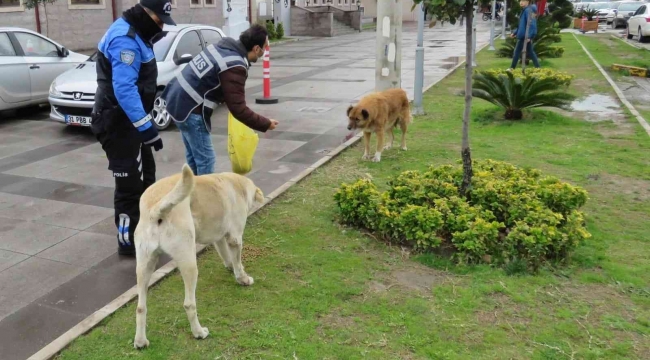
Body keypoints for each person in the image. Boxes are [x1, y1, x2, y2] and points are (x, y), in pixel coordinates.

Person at [91, 0, 174, 256]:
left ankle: (148, 232)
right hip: (117, 123)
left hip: (131, 122)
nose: (161, 25)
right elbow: (125, 89)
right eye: (158, 20)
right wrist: (147, 129)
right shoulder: (125, 39)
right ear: (146, 12)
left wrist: (144, 125)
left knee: (148, 179)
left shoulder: (140, 33)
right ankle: (129, 244)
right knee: (130, 186)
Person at [161, 24, 279, 176]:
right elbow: (238, 109)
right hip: (190, 109)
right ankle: (204, 198)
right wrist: (266, 123)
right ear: (257, 49)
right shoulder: (235, 64)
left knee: (194, 157)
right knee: (206, 160)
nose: (265, 51)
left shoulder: (223, 47)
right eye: (265, 47)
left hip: (176, 100)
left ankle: (193, 194)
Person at [509, 0, 540, 70]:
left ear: (528, 2)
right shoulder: (524, 10)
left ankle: (512, 68)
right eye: (520, 1)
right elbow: (521, 25)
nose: (521, 2)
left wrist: (529, 36)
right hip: (523, 36)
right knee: (530, 52)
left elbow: (532, 25)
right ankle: (538, 67)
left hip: (525, 37)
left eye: (523, 0)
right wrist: (515, 32)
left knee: (517, 52)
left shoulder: (528, 11)